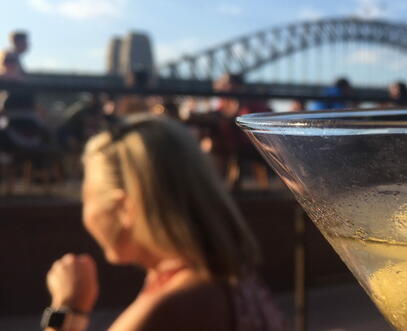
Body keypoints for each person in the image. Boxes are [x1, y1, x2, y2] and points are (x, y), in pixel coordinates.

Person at [43, 115, 284, 331]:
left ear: (125, 208)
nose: (85, 215)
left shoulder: (164, 311)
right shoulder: (234, 281)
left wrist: (69, 309)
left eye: (87, 198)